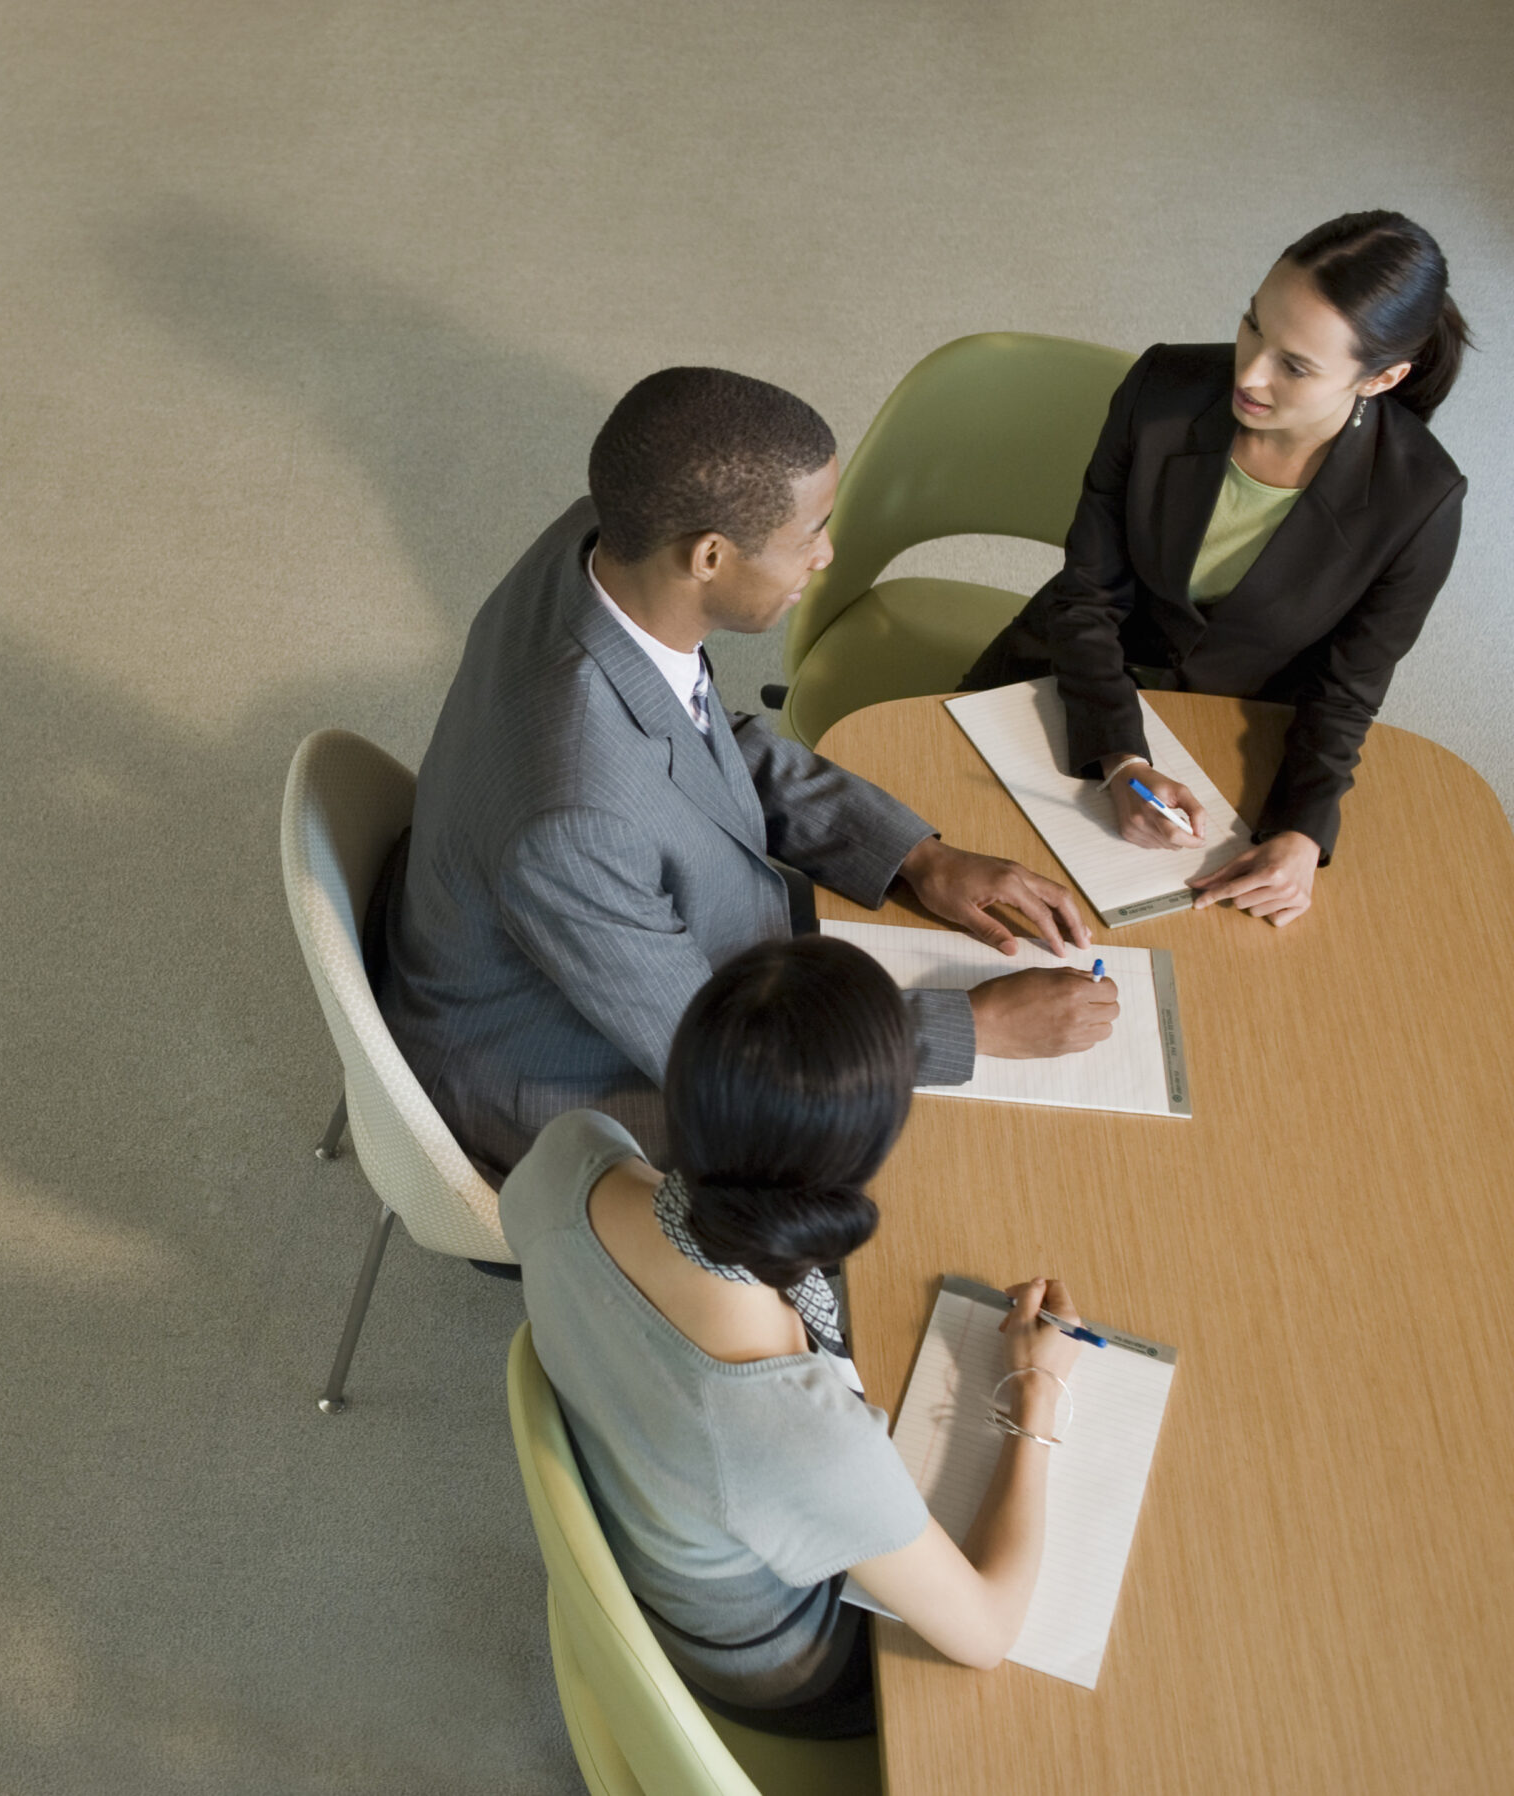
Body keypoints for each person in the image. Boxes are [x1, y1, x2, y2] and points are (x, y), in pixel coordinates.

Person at [378, 367, 1114, 1175]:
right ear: (709, 556)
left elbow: (694, 731)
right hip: (564, 1092)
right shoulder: (573, 824)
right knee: (958, 1173)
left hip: (605, 948)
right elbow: (724, 1061)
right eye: (810, 535)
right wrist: (975, 1030)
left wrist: (917, 857)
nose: (827, 557)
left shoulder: (603, 544)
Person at [501, 937, 1084, 1738]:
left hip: (677, 1524)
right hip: (792, 1670)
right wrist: (1036, 1394)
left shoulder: (573, 1154)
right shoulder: (798, 1435)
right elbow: (987, 1632)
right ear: (867, 1156)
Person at [961, 210, 1472, 926]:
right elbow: (1087, 594)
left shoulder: (1420, 501)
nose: (1251, 371)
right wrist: (1122, 758)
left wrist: (1299, 834)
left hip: (1234, 723)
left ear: (1382, 377)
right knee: (961, 856)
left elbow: (1346, 692)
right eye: (1252, 324)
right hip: (1071, 668)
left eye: (1295, 365)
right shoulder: (1162, 386)